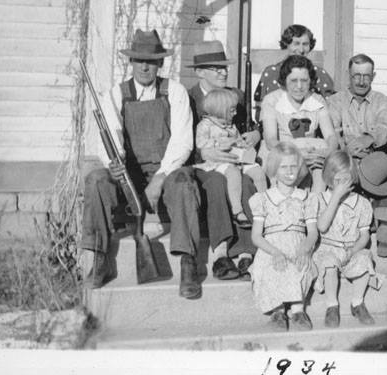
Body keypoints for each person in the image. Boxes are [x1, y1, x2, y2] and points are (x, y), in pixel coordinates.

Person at [82, 29, 203, 299]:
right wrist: (114, 163)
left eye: (151, 61)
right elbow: (109, 136)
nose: (145, 66)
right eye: (139, 60)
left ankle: (187, 263)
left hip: (168, 170)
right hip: (129, 173)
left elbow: (183, 142)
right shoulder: (115, 94)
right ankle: (100, 258)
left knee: (184, 184)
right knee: (96, 180)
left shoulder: (175, 91)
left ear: (160, 63)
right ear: (132, 63)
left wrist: (160, 179)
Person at [186, 41, 260, 281]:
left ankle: (247, 253)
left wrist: (254, 135)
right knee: (218, 183)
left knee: (248, 182)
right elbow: (186, 141)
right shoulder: (189, 99)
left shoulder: (235, 95)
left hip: (233, 159)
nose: (223, 72)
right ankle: (221, 254)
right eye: (215, 68)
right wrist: (205, 153)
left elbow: (248, 126)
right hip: (203, 163)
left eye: (224, 67)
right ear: (199, 72)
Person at [326, 53, 387, 256]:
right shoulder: (335, 101)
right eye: (357, 75)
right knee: (344, 170)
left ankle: (384, 224)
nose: (361, 81)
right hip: (346, 157)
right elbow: (334, 131)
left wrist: (368, 139)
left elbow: (385, 127)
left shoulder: (382, 101)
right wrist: (347, 149)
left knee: (385, 169)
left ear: (373, 76)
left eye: (366, 76)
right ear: (349, 75)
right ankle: (357, 227)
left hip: (372, 157)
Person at [249, 142, 319, 331]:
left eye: (293, 166)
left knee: (301, 265)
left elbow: (312, 232)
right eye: (283, 167)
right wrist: (274, 252)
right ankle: (277, 311)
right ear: (274, 169)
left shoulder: (307, 198)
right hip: (270, 246)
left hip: (297, 241)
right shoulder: (263, 199)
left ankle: (297, 310)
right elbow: (256, 236)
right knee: (271, 268)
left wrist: (305, 248)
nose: (289, 171)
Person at [313, 151, 377, 328]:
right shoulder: (319, 199)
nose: (341, 185)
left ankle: (357, 302)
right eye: (337, 180)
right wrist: (335, 197)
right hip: (328, 247)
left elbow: (364, 236)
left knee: (364, 258)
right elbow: (322, 227)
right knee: (328, 263)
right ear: (328, 177)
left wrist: (354, 250)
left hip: (351, 248)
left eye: (346, 180)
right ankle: (332, 305)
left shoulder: (361, 203)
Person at [260, 55, 339, 193]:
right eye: (293, 80)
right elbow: (270, 140)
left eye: (304, 80)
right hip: (281, 156)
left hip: (311, 156)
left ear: (311, 81)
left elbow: (331, 136)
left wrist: (326, 154)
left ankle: (315, 203)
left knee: (322, 163)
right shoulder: (272, 100)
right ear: (284, 81)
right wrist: (298, 155)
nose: (299, 86)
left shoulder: (317, 100)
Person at [194, 88, 267, 226]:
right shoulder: (205, 126)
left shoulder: (231, 126)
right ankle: (237, 211)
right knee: (233, 173)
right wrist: (220, 143)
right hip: (217, 162)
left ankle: (264, 206)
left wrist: (243, 144)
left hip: (236, 159)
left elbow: (239, 141)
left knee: (258, 172)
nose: (235, 113)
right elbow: (200, 143)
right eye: (232, 110)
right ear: (220, 110)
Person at [253, 24, 335, 107]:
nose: (301, 50)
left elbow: (331, 107)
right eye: (296, 44)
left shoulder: (320, 74)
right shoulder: (271, 72)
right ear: (286, 44)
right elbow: (260, 106)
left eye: (305, 44)